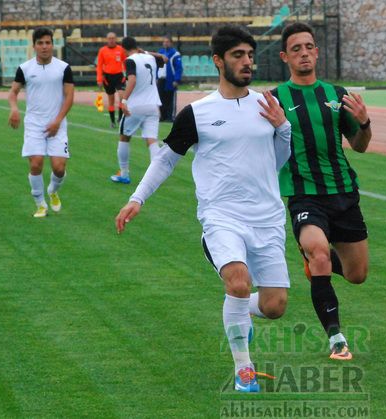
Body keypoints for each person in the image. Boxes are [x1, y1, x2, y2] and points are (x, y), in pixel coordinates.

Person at [115, 25, 291, 393]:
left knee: (275, 306)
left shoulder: (267, 104)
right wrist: (137, 198)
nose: (247, 62)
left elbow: (276, 162)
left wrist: (284, 129)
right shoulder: (198, 112)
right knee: (239, 282)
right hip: (222, 216)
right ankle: (244, 370)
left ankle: (240, 313)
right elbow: (165, 160)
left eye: (249, 55)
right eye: (238, 55)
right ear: (218, 61)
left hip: (268, 217)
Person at [272, 22, 372, 361]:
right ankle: (336, 338)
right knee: (319, 254)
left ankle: (320, 264)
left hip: (344, 192)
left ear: (316, 52)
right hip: (304, 196)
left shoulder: (336, 94)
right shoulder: (274, 99)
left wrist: (365, 123)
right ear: (286, 56)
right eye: (296, 48)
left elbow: (359, 146)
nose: (304, 53)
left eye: (309, 47)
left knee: (357, 275)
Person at [8, 27, 74, 218]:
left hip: (58, 123)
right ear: (34, 46)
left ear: (53, 44)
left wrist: (58, 121)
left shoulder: (63, 68)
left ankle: (53, 190)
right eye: (40, 43)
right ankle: (40, 204)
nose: (44, 47)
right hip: (34, 124)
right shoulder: (25, 68)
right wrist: (14, 109)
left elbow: (69, 96)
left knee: (59, 168)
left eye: (47, 43)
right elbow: (13, 92)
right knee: (36, 164)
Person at [109, 36, 167, 184]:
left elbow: (132, 80)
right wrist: (147, 52)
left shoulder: (130, 60)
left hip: (136, 106)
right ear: (137, 46)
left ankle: (124, 173)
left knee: (124, 137)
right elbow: (165, 59)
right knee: (152, 141)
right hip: (153, 106)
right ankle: (157, 175)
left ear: (123, 49)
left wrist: (124, 100)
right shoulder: (150, 58)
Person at [96, 32, 127, 128]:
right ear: (107, 39)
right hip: (108, 77)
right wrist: (99, 79)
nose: (111, 40)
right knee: (111, 99)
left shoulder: (121, 49)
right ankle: (112, 121)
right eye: (109, 38)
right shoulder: (102, 50)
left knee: (122, 97)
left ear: (116, 39)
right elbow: (99, 66)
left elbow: (125, 62)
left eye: (113, 38)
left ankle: (120, 118)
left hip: (119, 76)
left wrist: (126, 75)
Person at [157, 36, 183, 122]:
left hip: (170, 79)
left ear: (171, 43)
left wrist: (176, 79)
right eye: (164, 42)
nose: (165, 43)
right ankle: (163, 116)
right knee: (160, 99)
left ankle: (170, 117)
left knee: (170, 99)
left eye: (167, 42)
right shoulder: (160, 53)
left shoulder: (175, 54)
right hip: (161, 79)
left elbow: (178, 68)